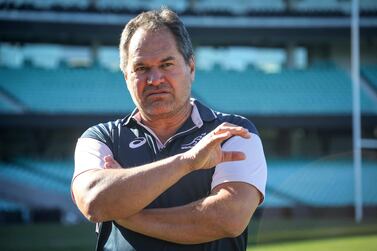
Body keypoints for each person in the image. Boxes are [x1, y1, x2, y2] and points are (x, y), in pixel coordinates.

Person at [72, 7, 267, 251]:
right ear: (126, 77)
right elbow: (94, 202)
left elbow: (228, 218)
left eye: (166, 64)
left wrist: (125, 213)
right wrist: (187, 162)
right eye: (141, 68)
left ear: (191, 68)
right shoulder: (101, 138)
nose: (154, 79)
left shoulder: (232, 133)